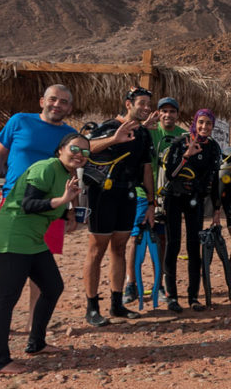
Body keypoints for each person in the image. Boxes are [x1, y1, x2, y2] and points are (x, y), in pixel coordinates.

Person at [0, 85, 77, 343]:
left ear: (69, 108)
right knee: (2, 265)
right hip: (13, 203)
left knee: (41, 266)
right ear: (42, 100)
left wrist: (70, 209)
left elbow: (72, 172)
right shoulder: (19, 121)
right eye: (53, 99)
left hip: (51, 206)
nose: (57, 105)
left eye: (64, 102)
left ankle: (34, 323)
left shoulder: (70, 135)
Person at [0, 133, 88, 373]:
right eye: (75, 148)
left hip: (33, 240)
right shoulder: (45, 168)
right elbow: (28, 204)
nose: (79, 154)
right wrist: (62, 200)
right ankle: (0, 361)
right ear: (60, 149)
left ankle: (36, 343)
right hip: (12, 237)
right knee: (6, 299)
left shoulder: (66, 174)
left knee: (53, 286)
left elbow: (50, 204)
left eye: (85, 152)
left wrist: (67, 213)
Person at [82, 86, 155, 326]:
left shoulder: (143, 134)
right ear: (128, 104)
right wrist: (114, 138)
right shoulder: (109, 127)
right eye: (141, 103)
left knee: (120, 247)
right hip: (102, 193)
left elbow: (146, 169)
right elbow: (85, 148)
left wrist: (152, 202)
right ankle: (92, 307)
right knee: (97, 248)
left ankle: (116, 304)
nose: (145, 108)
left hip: (128, 193)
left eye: (148, 104)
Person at [123, 96, 186, 305]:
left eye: (172, 111)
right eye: (164, 111)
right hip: (144, 194)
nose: (168, 115)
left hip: (169, 196)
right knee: (136, 237)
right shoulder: (148, 130)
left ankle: (158, 284)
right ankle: (130, 283)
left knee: (162, 240)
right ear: (158, 113)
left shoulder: (182, 136)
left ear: (177, 114)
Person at [161, 109, 223, 311]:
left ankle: (193, 296)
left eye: (208, 124)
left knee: (194, 247)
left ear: (213, 127)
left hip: (195, 199)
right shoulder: (181, 142)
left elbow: (214, 181)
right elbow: (170, 174)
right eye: (201, 123)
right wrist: (186, 156)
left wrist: (216, 209)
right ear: (195, 123)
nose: (204, 127)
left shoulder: (213, 148)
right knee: (173, 244)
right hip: (174, 197)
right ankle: (171, 295)